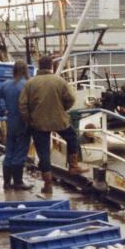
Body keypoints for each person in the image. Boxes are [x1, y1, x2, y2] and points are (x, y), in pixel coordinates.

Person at [19, 55, 87, 194]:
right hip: (59, 119)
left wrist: (29, 119)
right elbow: (71, 99)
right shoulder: (59, 81)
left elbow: (22, 105)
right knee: (72, 137)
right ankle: (73, 166)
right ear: (51, 66)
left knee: (43, 153)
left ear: (39, 66)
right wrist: (62, 108)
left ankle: (48, 184)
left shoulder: (30, 83)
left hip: (38, 123)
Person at [0, 60, 32, 190]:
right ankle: (18, 182)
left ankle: (6, 183)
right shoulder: (27, 85)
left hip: (10, 121)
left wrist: (2, 110)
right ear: (24, 70)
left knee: (9, 151)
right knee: (20, 152)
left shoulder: (6, 84)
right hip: (23, 122)